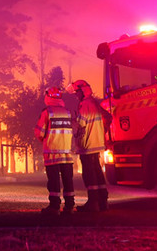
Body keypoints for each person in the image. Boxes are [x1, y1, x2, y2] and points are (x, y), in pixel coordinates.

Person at [34, 67, 76, 215]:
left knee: (53, 181)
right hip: (66, 154)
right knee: (68, 181)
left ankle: (54, 207)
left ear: (48, 97)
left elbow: (39, 132)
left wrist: (44, 140)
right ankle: (70, 206)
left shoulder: (47, 113)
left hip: (52, 154)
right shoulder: (67, 112)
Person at [71, 79, 112, 212]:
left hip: (87, 144)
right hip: (97, 143)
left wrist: (73, 121)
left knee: (89, 174)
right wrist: (102, 131)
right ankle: (102, 201)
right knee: (98, 172)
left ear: (83, 91)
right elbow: (108, 117)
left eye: (77, 92)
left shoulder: (84, 104)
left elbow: (81, 124)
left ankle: (93, 203)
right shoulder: (94, 103)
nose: (76, 95)